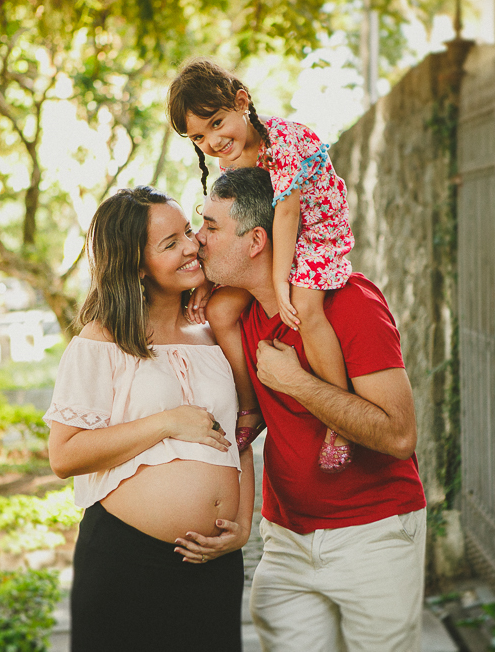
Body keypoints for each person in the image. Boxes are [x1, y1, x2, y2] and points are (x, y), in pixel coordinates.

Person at [192, 166, 428, 651]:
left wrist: (297, 382)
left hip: (374, 538)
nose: (199, 239)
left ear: (257, 240)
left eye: (211, 227)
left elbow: (399, 435)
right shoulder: (242, 312)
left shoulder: (350, 301)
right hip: (286, 541)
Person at [44, 186, 254, 651]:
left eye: (188, 232)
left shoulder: (212, 335)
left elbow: (236, 431)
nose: (191, 246)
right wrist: (166, 422)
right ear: (136, 265)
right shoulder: (101, 341)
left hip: (214, 563)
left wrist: (242, 521)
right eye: (170, 243)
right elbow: (64, 455)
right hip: (126, 560)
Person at [167, 57, 356, 472]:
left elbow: (287, 215)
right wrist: (209, 281)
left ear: (241, 102)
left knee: (306, 308)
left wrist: (281, 281)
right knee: (218, 310)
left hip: (317, 230)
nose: (212, 142)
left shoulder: (283, 140)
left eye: (216, 123)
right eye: (199, 137)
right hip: (280, 240)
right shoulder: (230, 159)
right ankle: (250, 407)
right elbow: (241, 225)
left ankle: (338, 422)